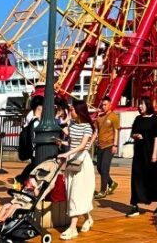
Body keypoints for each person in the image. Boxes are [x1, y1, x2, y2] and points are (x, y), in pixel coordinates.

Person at [59, 99, 97, 240]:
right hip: (72, 160)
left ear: (79, 111)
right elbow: (70, 141)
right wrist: (61, 142)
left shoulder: (87, 126)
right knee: (72, 192)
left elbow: (82, 146)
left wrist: (66, 154)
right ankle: (88, 218)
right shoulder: (73, 124)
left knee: (76, 194)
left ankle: (73, 227)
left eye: (73, 110)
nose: (71, 112)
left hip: (81, 161)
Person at [128, 96, 157, 217]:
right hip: (138, 153)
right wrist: (135, 136)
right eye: (139, 104)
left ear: (148, 105)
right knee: (136, 177)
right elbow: (132, 133)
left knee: (152, 178)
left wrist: (154, 154)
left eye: (142, 104)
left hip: (149, 152)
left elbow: (156, 137)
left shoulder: (154, 119)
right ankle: (135, 205)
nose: (140, 106)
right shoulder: (137, 119)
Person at [94, 96, 120, 198]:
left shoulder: (113, 116)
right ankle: (111, 183)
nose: (103, 106)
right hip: (100, 146)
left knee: (104, 168)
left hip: (109, 145)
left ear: (110, 105)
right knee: (99, 168)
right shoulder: (99, 117)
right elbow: (96, 131)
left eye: (105, 104)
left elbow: (116, 131)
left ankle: (103, 190)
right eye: (102, 105)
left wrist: (115, 145)